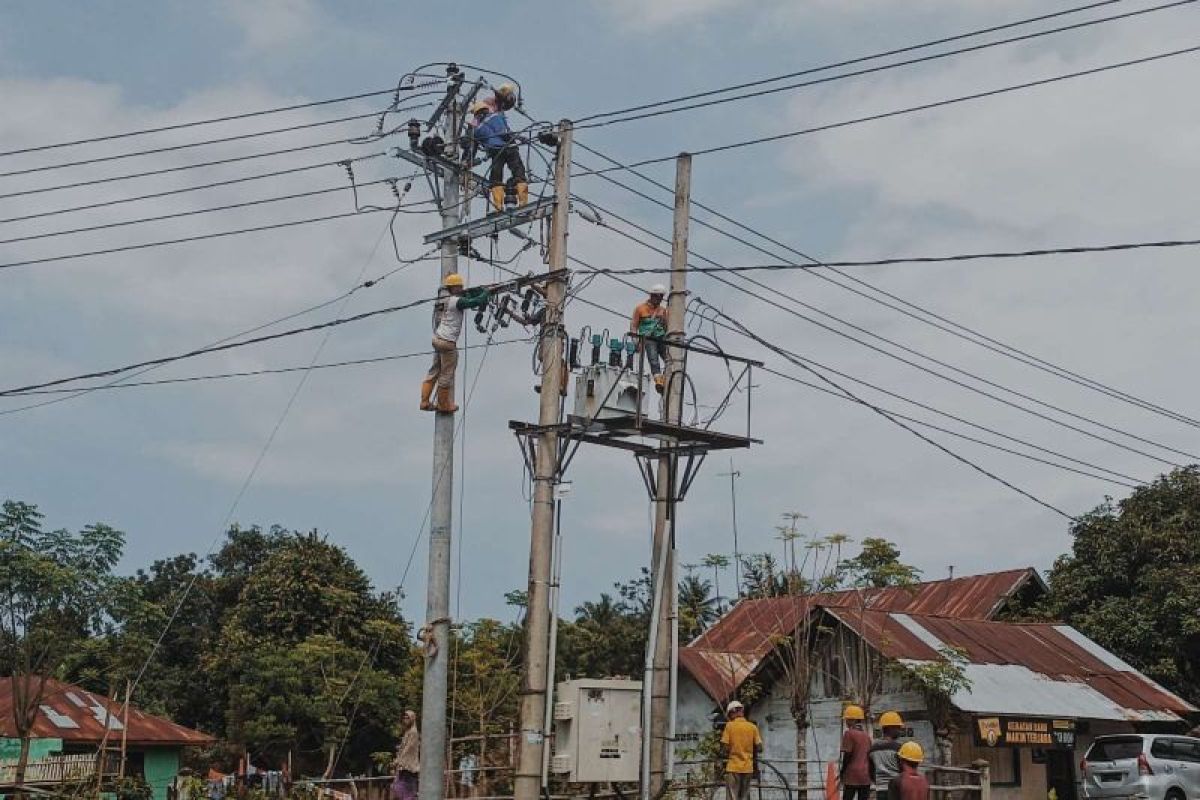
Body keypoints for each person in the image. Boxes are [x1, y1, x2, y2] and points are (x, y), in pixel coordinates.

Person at [421, 273, 490, 413]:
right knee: (446, 374)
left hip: (437, 339)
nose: (461, 288)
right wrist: (485, 293)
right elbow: (472, 302)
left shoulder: (448, 299)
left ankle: (424, 402)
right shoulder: (456, 301)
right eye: (460, 286)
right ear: (454, 287)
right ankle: (444, 405)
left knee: (434, 370)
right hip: (447, 343)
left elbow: (468, 298)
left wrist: (476, 291)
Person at [466, 97, 528, 212]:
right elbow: (504, 132)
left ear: (476, 115)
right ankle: (523, 204)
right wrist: (519, 138)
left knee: (495, 178)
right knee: (519, 173)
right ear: (486, 110)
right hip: (509, 148)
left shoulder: (476, 130)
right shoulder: (496, 117)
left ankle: (498, 207)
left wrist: (468, 162)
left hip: (495, 152)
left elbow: (472, 149)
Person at [629, 283, 668, 392]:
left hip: (661, 337)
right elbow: (634, 326)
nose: (659, 299)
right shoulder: (640, 309)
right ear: (652, 296)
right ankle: (659, 381)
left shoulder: (663, 311)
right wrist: (636, 342)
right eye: (658, 296)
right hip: (648, 338)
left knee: (669, 358)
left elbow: (666, 327)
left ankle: (667, 377)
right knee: (653, 359)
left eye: (661, 297)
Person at [720, 700, 762, 800]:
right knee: (745, 797)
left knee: (732, 797)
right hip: (748, 768)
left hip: (733, 767)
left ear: (733, 712)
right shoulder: (752, 727)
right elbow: (760, 747)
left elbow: (725, 748)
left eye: (730, 714)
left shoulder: (729, 726)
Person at [870, 711, 905, 800]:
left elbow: (871, 771)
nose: (900, 731)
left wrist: (878, 782)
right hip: (896, 791)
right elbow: (904, 770)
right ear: (891, 728)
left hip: (880, 790)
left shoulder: (873, 749)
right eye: (898, 728)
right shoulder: (899, 748)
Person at [840, 705, 872, 800]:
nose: (846, 721)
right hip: (866, 776)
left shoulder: (849, 734)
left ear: (853, 720)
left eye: (847, 719)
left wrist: (842, 771)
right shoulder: (866, 736)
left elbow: (847, 755)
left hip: (852, 775)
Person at [392, 710, 420, 800]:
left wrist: (398, 760)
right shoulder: (407, 732)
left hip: (410, 767)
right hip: (403, 766)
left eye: (407, 717)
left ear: (412, 719)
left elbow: (408, 748)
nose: (405, 719)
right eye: (404, 717)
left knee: (408, 791)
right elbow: (403, 747)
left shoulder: (413, 732)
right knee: (398, 788)